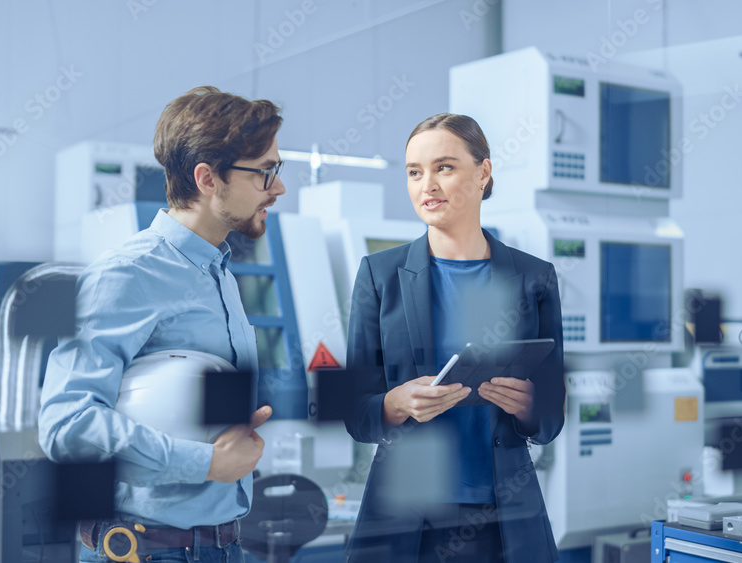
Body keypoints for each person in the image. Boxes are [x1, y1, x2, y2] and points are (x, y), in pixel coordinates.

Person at [38, 85, 286, 563]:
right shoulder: (128, 274)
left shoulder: (219, 272)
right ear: (208, 179)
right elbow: (65, 424)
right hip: (145, 551)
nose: (278, 188)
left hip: (223, 544)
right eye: (264, 173)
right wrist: (207, 463)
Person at [342, 113, 565, 563]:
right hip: (407, 520)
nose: (428, 185)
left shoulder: (533, 278)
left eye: (444, 167)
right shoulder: (380, 277)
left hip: (503, 519)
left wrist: (528, 406)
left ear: (483, 173)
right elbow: (354, 411)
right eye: (414, 172)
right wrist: (396, 403)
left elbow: (552, 411)